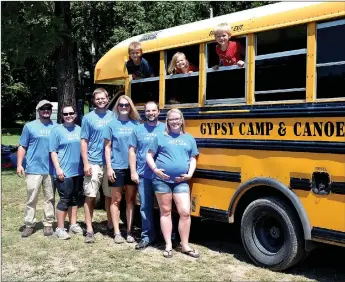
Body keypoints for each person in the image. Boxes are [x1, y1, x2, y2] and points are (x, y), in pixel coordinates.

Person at [146, 108, 200, 258]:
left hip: (181, 181)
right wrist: (155, 170)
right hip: (162, 180)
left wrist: (189, 174)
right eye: (171, 119)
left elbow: (193, 158)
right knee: (166, 212)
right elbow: (149, 155)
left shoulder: (189, 138)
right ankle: (168, 245)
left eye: (177, 119)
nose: (175, 122)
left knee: (185, 212)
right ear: (167, 122)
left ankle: (185, 245)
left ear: (182, 120)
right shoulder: (160, 137)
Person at [17, 100, 57, 238]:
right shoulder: (29, 126)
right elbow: (22, 146)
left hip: (51, 169)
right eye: (43, 108)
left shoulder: (56, 127)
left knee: (50, 198)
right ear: (38, 110)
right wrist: (19, 164)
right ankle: (29, 224)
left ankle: (48, 224)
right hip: (34, 168)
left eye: (48, 108)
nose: (46, 111)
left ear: (51, 111)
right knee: (31, 198)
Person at [128, 101, 165, 250]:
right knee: (145, 207)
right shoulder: (138, 130)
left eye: (153, 110)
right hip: (144, 174)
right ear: (145, 112)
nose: (151, 113)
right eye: (148, 111)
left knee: (165, 207)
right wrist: (133, 171)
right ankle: (147, 236)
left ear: (158, 111)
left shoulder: (165, 128)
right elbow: (132, 151)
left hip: (163, 175)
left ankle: (167, 235)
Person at [104, 95, 141, 244]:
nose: (124, 107)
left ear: (130, 107)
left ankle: (130, 231)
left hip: (132, 168)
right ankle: (117, 232)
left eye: (126, 105)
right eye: (121, 105)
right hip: (117, 167)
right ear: (117, 107)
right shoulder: (111, 125)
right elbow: (107, 148)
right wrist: (109, 168)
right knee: (116, 199)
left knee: (130, 200)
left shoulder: (137, 125)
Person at [81, 88, 114, 243]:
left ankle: (110, 225)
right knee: (90, 196)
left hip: (110, 163)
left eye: (103, 98)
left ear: (108, 98)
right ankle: (89, 229)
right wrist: (86, 163)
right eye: (98, 99)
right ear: (94, 101)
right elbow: (84, 141)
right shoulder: (88, 118)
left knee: (109, 195)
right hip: (93, 162)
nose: (101, 100)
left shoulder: (114, 116)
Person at [49, 105, 84, 240]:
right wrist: (58, 168)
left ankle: (73, 224)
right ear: (62, 116)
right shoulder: (56, 131)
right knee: (65, 198)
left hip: (78, 171)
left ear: (75, 114)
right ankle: (60, 228)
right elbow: (53, 151)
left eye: (71, 113)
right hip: (64, 171)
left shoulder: (80, 130)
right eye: (65, 114)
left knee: (74, 198)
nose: (68, 116)